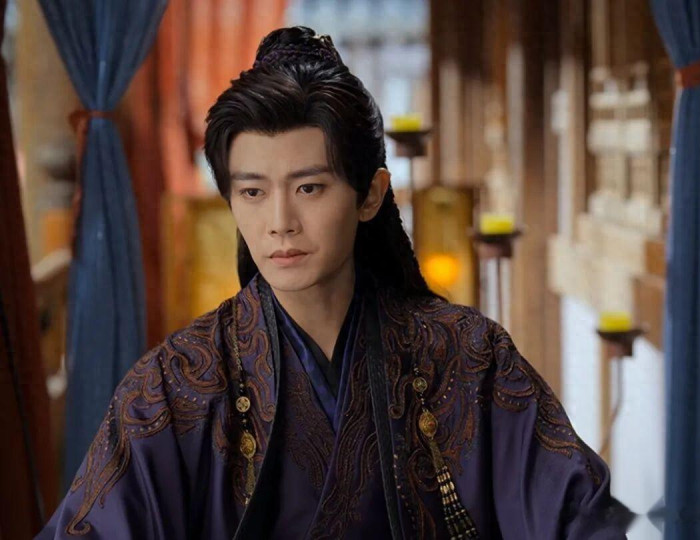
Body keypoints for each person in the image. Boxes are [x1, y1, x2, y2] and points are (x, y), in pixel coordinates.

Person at [38, 26, 632, 539]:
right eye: (253, 191)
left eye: (309, 188)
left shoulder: (468, 356)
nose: (280, 222)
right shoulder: (179, 382)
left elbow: (577, 516)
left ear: (370, 194)